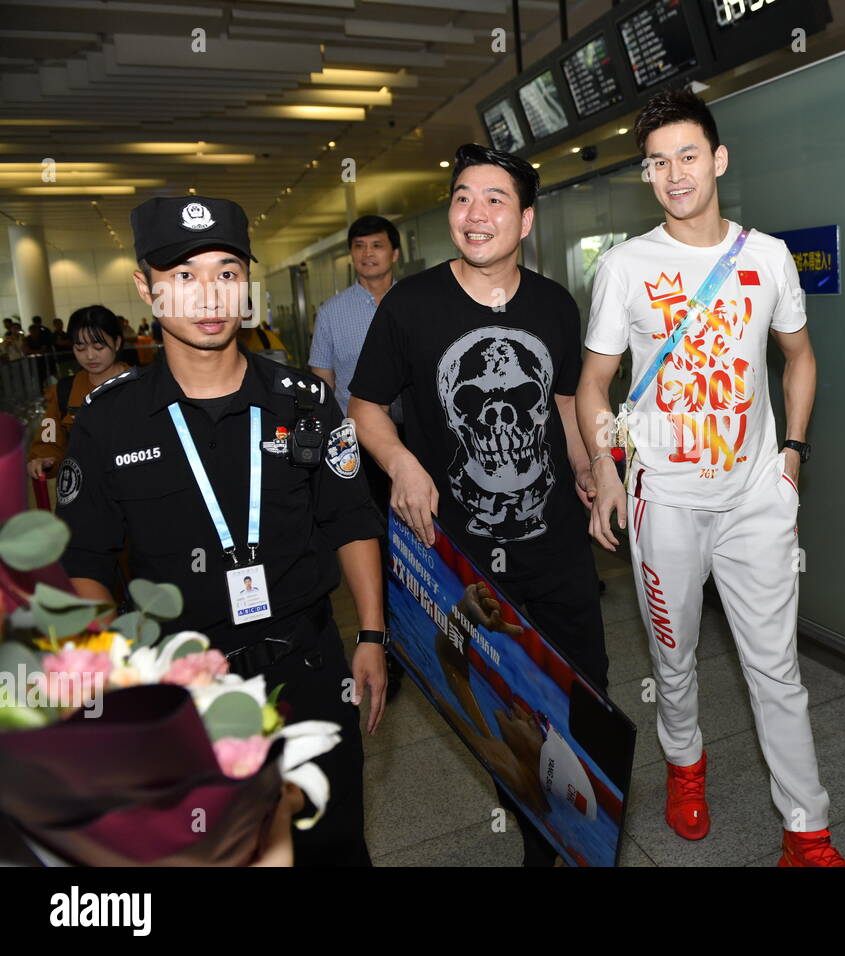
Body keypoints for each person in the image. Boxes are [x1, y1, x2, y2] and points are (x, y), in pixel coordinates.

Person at [56, 194, 388, 867]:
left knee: (332, 843)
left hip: (308, 664)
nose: (209, 295)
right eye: (183, 275)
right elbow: (85, 560)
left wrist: (374, 635)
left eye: (228, 272)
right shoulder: (109, 423)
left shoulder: (305, 402)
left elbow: (348, 518)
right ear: (145, 289)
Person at [577, 88, 845, 866]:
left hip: (754, 500)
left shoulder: (765, 257)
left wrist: (792, 456)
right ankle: (685, 766)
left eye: (687, 156)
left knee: (777, 669)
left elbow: (798, 357)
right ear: (647, 174)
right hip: (663, 499)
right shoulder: (625, 266)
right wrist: (605, 465)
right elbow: (594, 382)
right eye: (658, 162)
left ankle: (809, 833)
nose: (674, 174)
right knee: (674, 658)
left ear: (719, 159)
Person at [349, 143, 609, 867]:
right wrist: (399, 461)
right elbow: (365, 407)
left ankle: (584, 830)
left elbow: (561, 403)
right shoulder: (411, 305)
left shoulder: (555, 303)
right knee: (503, 705)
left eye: (495, 199)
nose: (475, 212)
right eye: (464, 197)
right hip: (462, 557)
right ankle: (537, 840)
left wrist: (590, 468)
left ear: (525, 220)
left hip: (556, 547)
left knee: (587, 691)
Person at [309, 214, 405, 699]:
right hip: (357, 445)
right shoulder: (331, 313)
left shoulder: (418, 302)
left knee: (424, 538)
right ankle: (387, 644)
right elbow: (323, 383)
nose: (368, 254)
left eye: (377, 246)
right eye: (360, 247)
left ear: (394, 253)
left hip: (416, 441)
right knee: (376, 542)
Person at [27, 305, 129, 481]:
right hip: (88, 488)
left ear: (117, 342)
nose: (89, 356)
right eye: (80, 348)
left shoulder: (141, 384)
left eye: (98, 346)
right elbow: (49, 434)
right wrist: (42, 457)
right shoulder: (65, 391)